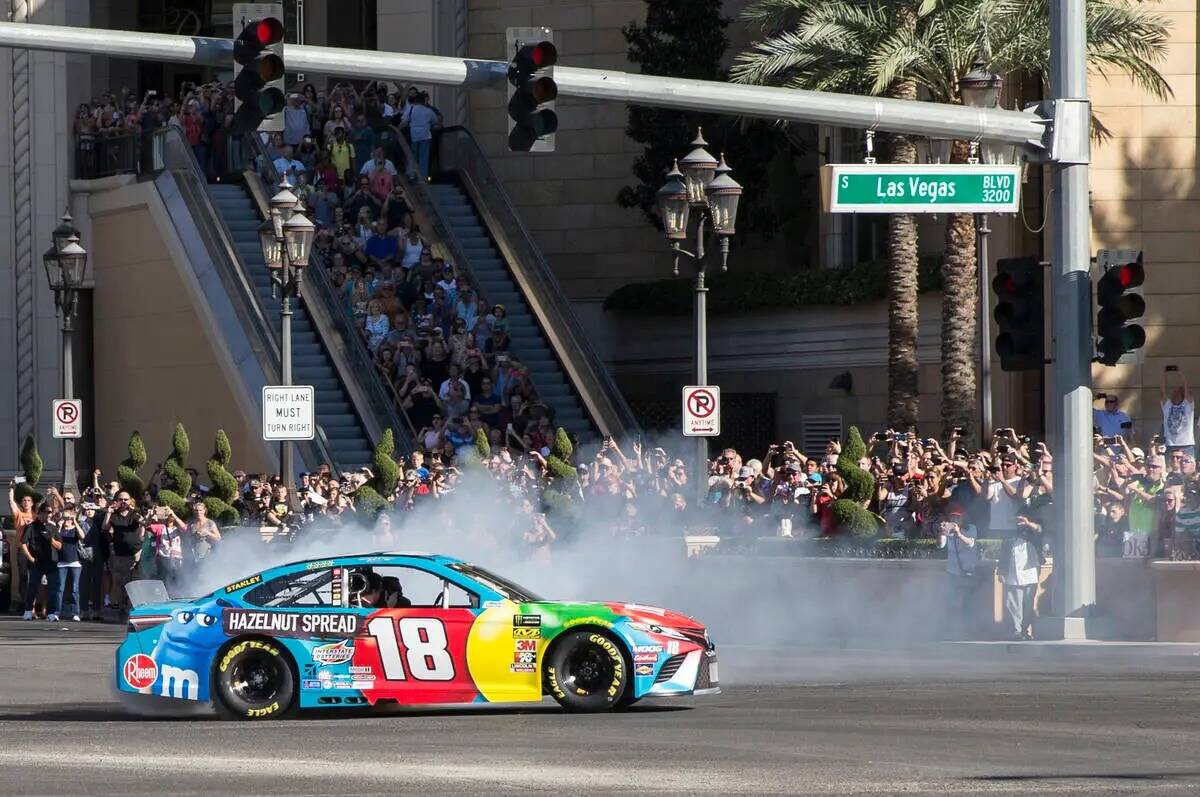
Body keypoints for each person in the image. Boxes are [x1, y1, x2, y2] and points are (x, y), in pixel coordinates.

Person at [998, 510, 1044, 640]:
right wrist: (1001, 571)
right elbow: (1003, 554)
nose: (1019, 523)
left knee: (1028, 605)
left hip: (1030, 574)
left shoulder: (1033, 534)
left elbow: (1039, 529)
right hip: (1013, 574)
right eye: (1017, 520)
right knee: (1013, 604)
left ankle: (1025, 630)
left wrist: (1027, 523)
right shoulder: (1009, 536)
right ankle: (1016, 631)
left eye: (1022, 520)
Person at [936, 507, 979, 639]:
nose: (955, 519)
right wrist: (941, 532)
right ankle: (951, 630)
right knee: (951, 602)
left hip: (967, 571)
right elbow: (940, 545)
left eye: (958, 517)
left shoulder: (971, 528)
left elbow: (970, 543)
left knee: (967, 603)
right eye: (953, 517)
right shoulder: (948, 529)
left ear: (963, 518)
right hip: (952, 571)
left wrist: (958, 533)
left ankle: (968, 631)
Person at [102, 492, 144, 615]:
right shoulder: (114, 515)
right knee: (120, 581)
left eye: (126, 499)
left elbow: (145, 523)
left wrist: (136, 512)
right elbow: (105, 527)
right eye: (121, 499)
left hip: (135, 552)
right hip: (120, 553)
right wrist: (109, 512)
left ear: (130, 501)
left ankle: (133, 606)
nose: (124, 501)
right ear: (117, 501)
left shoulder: (134, 514)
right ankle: (122, 606)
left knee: (134, 580)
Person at [20, 504, 61, 621]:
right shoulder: (31, 527)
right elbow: (23, 542)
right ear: (40, 513)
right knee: (33, 586)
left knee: (53, 588)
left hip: (51, 562)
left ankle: (51, 613)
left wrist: (51, 539)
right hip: (37, 562)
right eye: (47, 512)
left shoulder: (52, 527)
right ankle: (28, 611)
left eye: (50, 512)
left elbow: (59, 545)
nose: (49, 515)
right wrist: (30, 558)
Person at [53, 503, 85, 622]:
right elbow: (54, 541)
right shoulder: (59, 529)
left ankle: (75, 612)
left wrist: (75, 522)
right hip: (61, 562)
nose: (66, 520)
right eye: (64, 517)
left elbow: (82, 536)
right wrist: (60, 526)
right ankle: (57, 612)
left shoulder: (75, 528)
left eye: (68, 518)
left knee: (75, 588)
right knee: (60, 588)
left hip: (75, 562)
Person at [400, 91, 442, 179]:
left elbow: (404, 122)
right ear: (423, 101)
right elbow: (436, 121)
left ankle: (412, 175)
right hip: (425, 135)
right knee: (424, 157)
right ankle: (423, 178)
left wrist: (397, 129)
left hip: (414, 135)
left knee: (413, 156)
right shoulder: (428, 111)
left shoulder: (411, 109)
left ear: (415, 100)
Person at [1160, 367, 1194, 457]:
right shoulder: (1167, 405)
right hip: (1170, 445)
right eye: (1173, 392)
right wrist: (1164, 375)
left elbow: (1187, 391)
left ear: (1182, 395)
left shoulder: (1188, 405)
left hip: (1186, 445)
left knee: (1188, 470)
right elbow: (1162, 392)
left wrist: (1180, 375)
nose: (1173, 394)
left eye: (1176, 392)